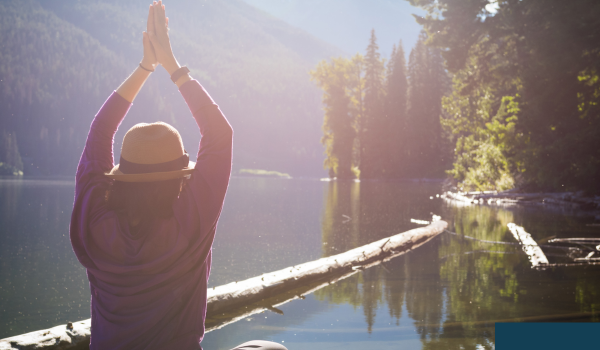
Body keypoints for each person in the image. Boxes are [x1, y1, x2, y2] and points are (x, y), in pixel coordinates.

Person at [69, 2, 287, 349]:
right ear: (178, 177)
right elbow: (220, 135)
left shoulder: (93, 223)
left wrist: (145, 67)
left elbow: (98, 132)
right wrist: (172, 64)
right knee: (269, 349)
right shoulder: (188, 225)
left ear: (123, 173)